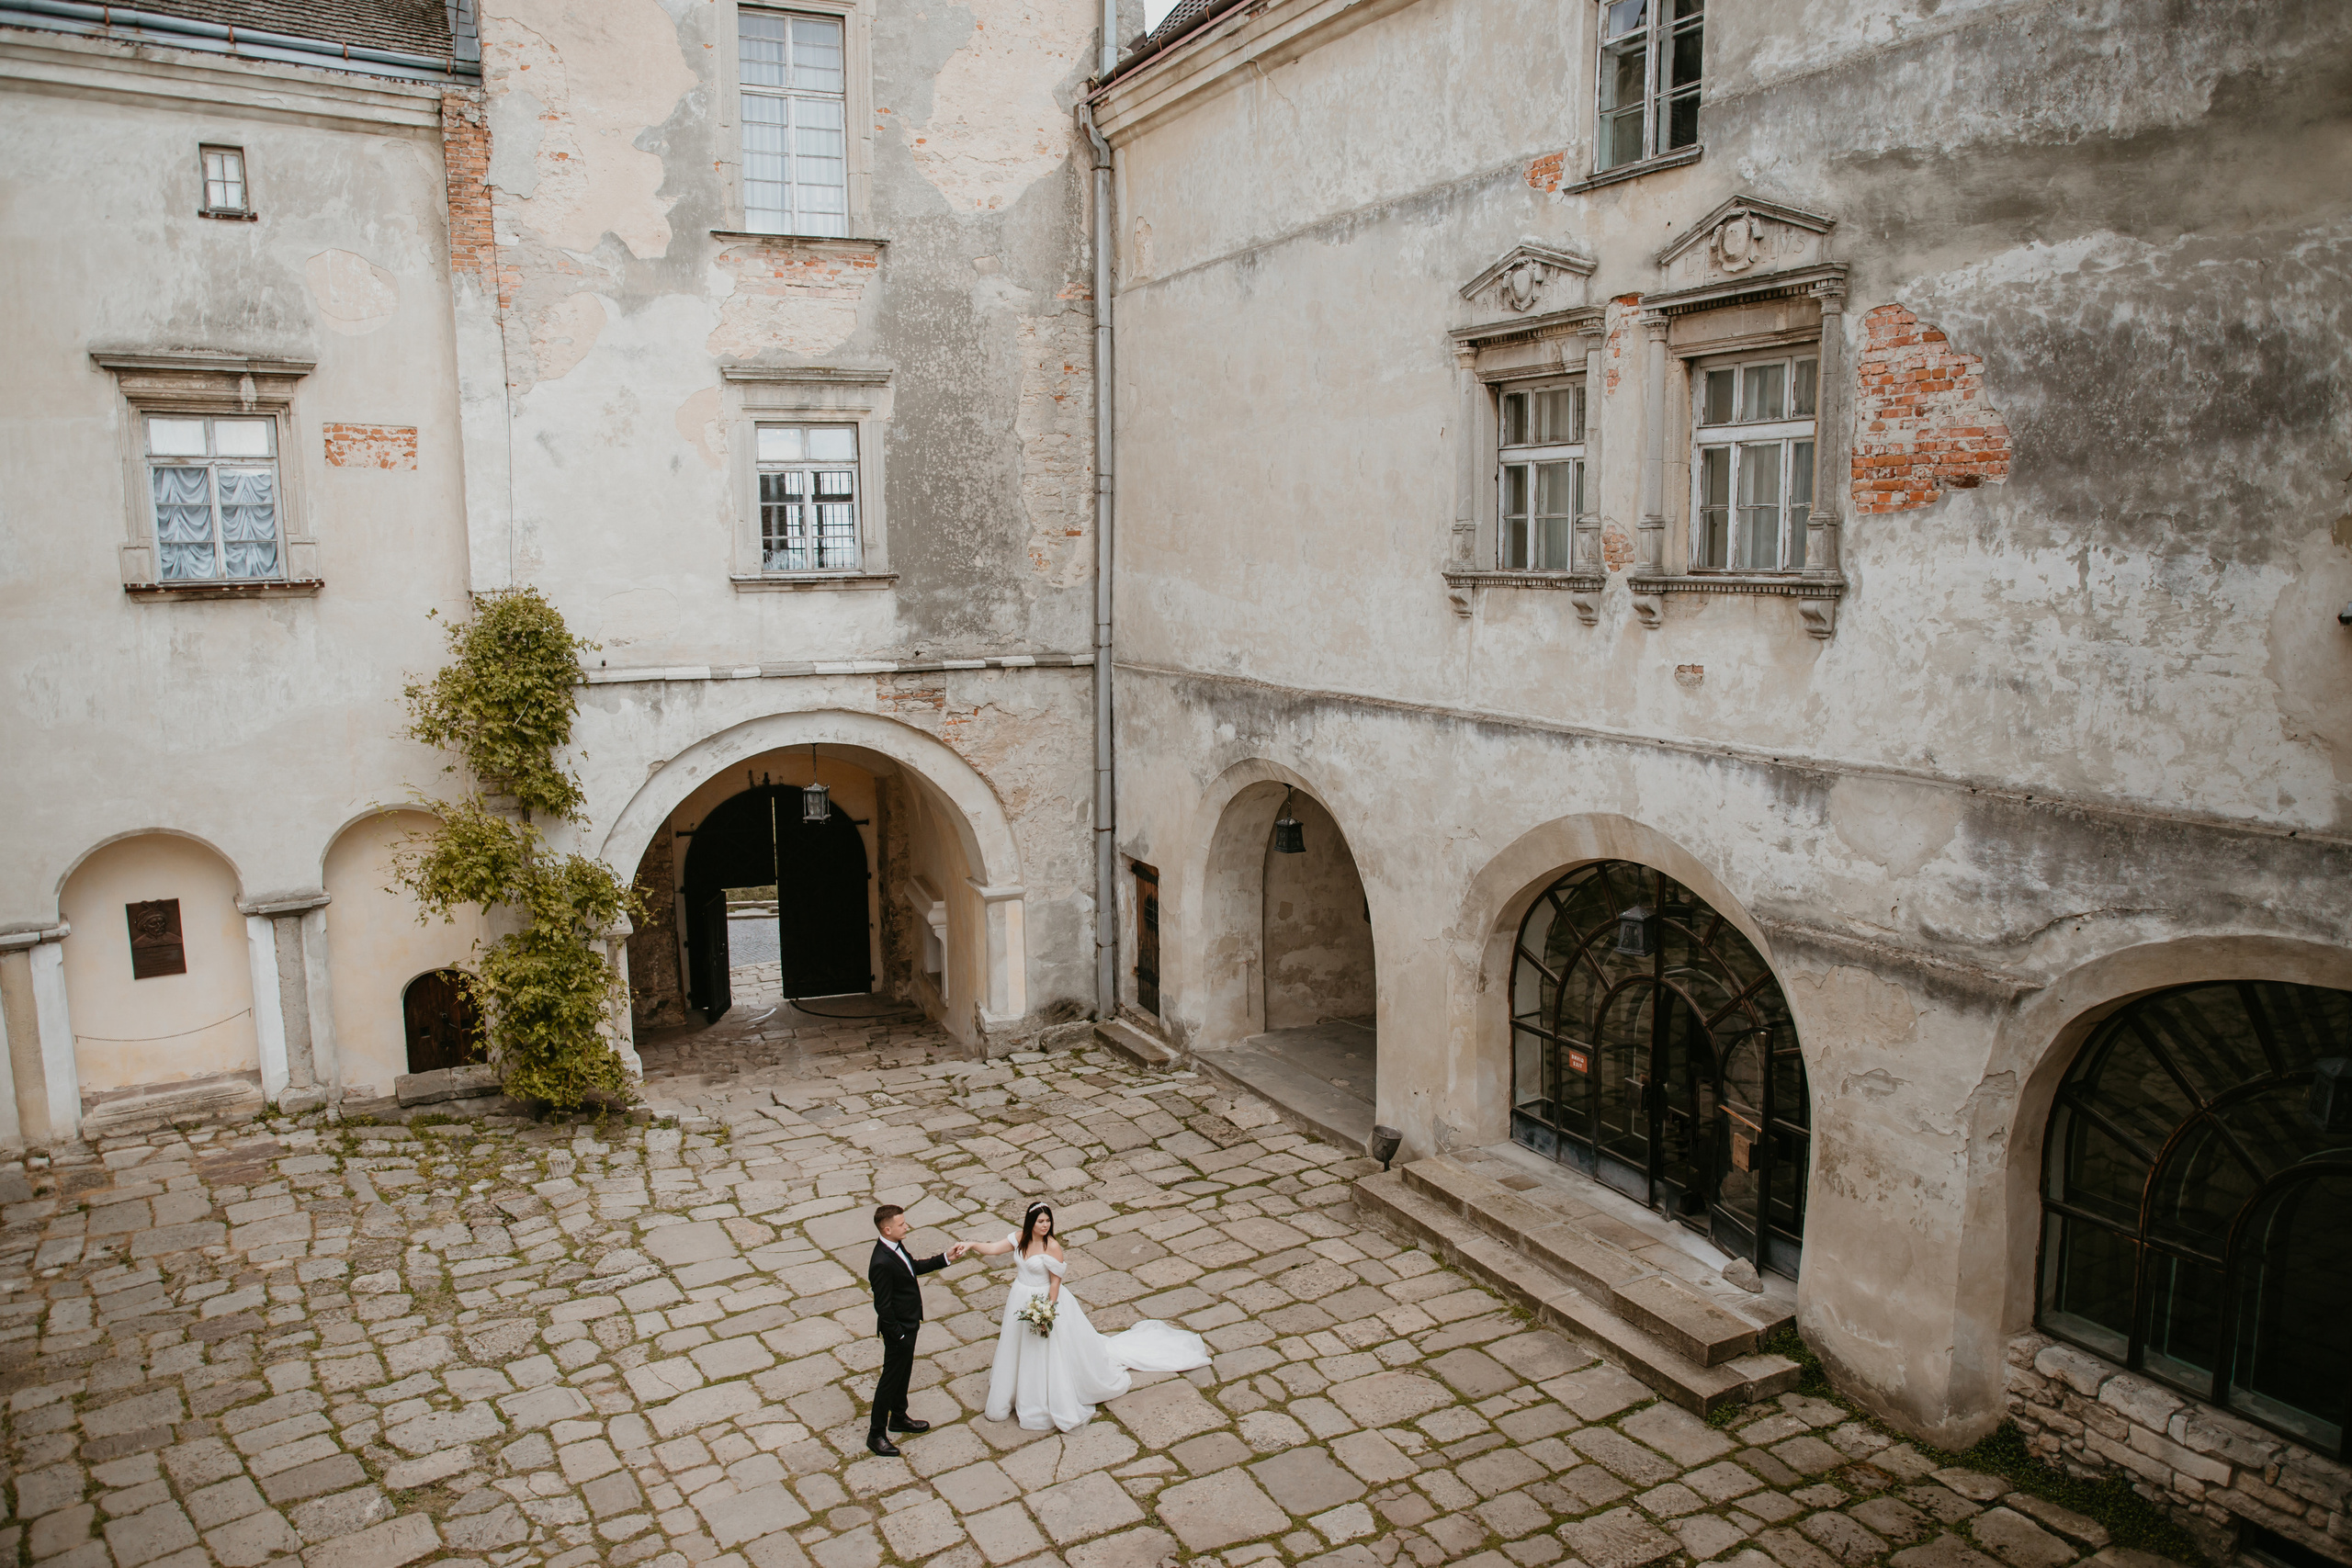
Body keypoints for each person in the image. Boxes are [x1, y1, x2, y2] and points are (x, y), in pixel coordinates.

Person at [960, 1201, 1210, 1433]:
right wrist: (971, 1244)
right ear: (1030, 1223)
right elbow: (992, 1249)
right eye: (1040, 1222)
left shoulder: (1053, 1247)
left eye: (1048, 1221)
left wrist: (1047, 1311)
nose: (1045, 1226)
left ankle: (1042, 1398)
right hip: (1019, 1298)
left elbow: (1055, 1283)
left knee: (1044, 1349)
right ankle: (1014, 1390)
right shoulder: (1019, 1238)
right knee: (1017, 1345)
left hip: (1042, 1301)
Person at [865, 1203, 967, 1456]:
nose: (906, 1226)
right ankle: (876, 1433)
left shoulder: (896, 1247)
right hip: (898, 1330)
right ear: (887, 1229)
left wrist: (946, 1257)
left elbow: (913, 1268)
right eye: (902, 1224)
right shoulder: (880, 1261)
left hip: (910, 1324)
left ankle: (898, 1417)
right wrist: (898, 1334)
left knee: (903, 1374)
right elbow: (883, 1305)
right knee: (889, 1381)